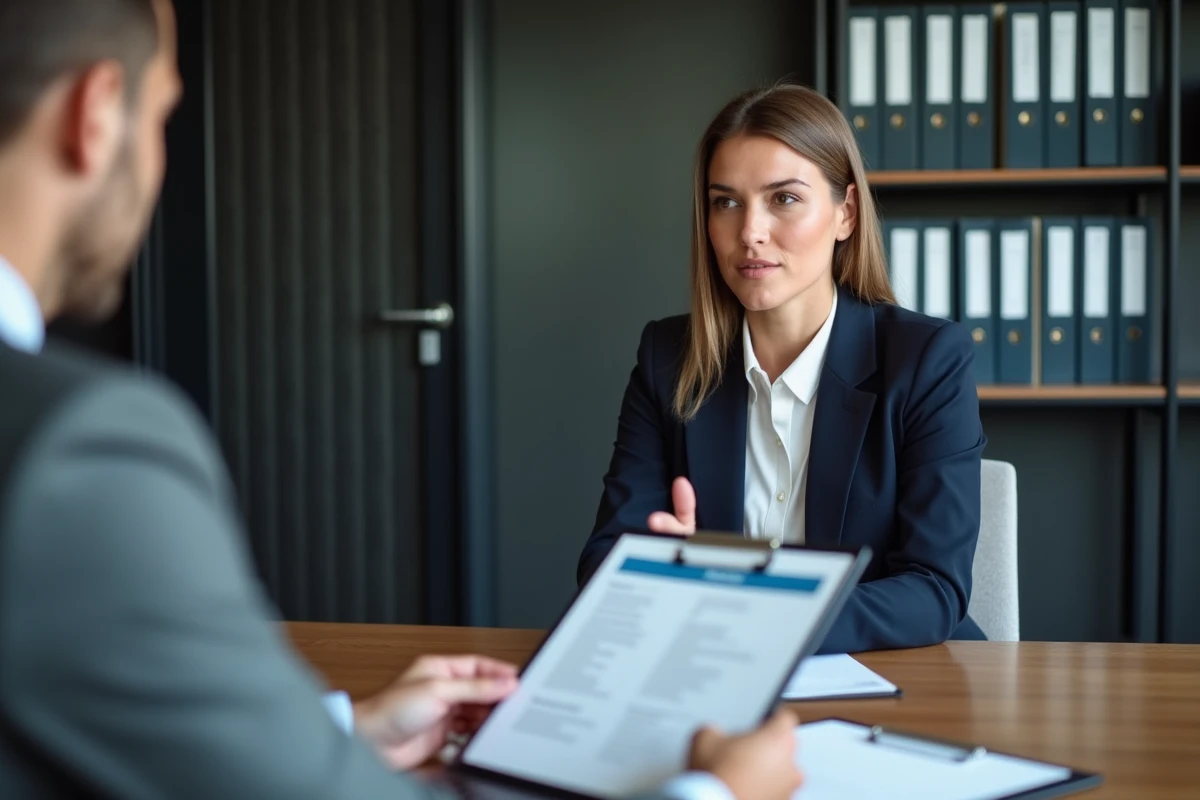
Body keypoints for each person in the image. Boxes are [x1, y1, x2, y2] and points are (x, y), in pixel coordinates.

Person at [0, 1, 803, 798]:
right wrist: (717, 795)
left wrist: (347, 728)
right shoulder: (79, 450)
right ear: (97, 112)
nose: (748, 232)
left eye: (784, 199)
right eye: (165, 115)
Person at [579, 83, 988, 654]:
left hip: (893, 677)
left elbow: (934, 589)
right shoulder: (667, 358)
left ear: (845, 213)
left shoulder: (926, 360)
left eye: (784, 199)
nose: (750, 232)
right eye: (726, 202)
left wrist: (756, 614)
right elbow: (604, 562)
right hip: (713, 672)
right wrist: (659, 572)